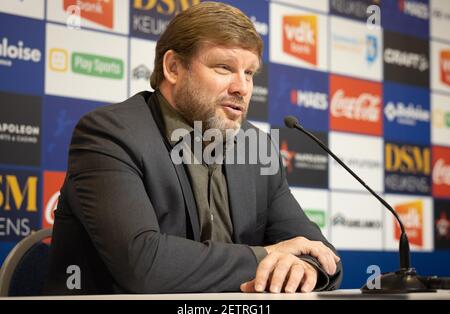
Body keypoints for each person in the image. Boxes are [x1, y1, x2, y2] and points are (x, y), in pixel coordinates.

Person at [44, 2, 342, 295]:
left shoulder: (257, 147)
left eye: (249, 73)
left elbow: (319, 253)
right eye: (224, 67)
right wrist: (265, 257)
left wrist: (304, 268)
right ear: (174, 68)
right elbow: (143, 266)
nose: (243, 87)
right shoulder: (109, 134)